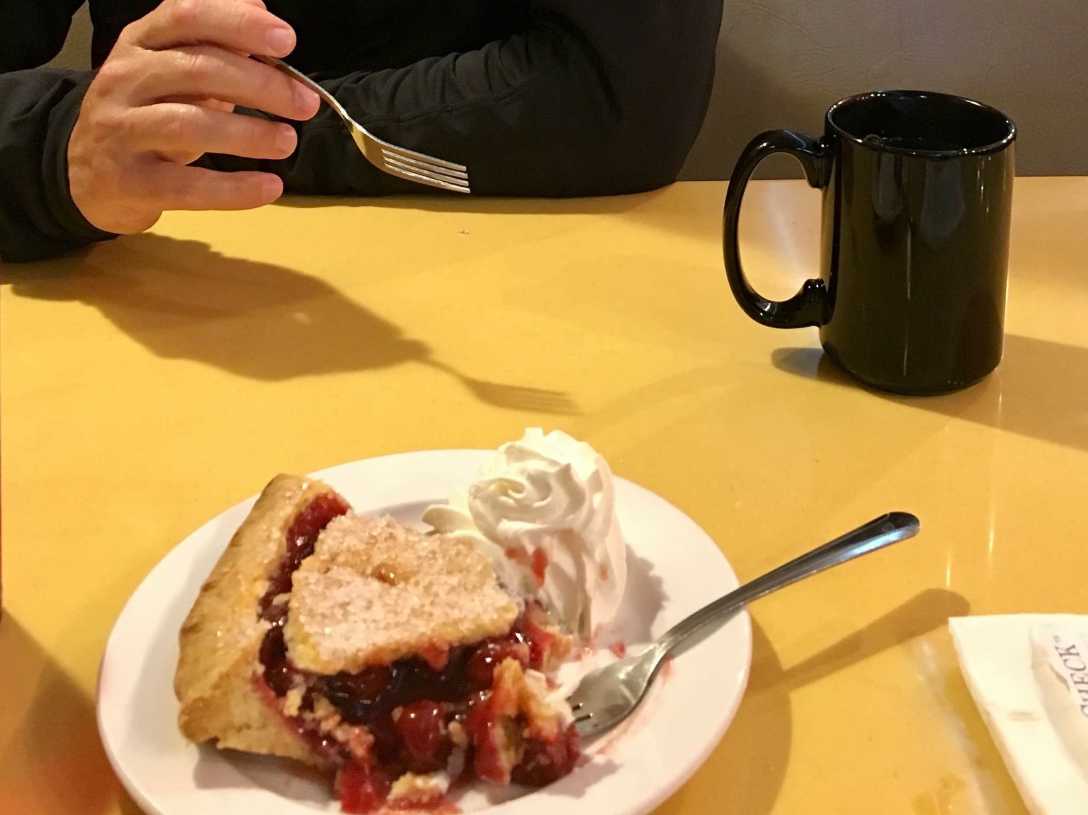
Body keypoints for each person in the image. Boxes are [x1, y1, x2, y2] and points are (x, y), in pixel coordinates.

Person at [0, 0, 724, 262]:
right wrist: (54, 145)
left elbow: (622, 99)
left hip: (515, 287)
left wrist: (240, 131)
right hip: (139, 266)